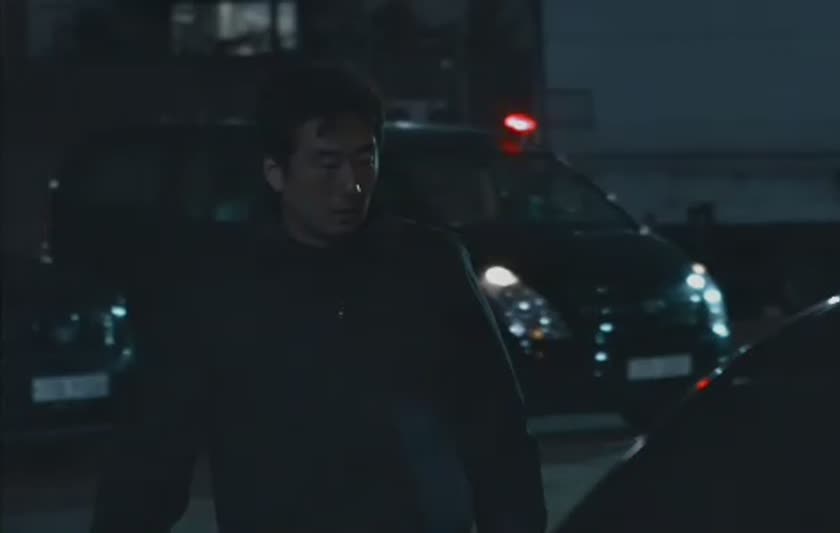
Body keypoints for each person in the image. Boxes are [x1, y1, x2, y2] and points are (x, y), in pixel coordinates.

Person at [91, 62, 547, 533]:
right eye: (327, 164)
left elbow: (498, 434)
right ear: (276, 171)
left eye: (365, 160)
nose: (351, 185)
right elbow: (151, 457)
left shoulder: (428, 268)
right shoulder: (220, 290)